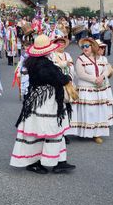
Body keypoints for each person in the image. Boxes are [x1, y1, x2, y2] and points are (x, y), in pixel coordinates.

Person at [10, 34, 78, 174]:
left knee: (48, 130)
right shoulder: (42, 64)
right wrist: (66, 77)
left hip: (44, 99)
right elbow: (58, 78)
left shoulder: (36, 62)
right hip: (44, 101)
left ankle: (58, 161)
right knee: (45, 130)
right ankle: (36, 162)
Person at [67, 38, 113, 144]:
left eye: (87, 46)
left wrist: (102, 77)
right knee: (88, 112)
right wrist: (95, 79)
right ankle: (84, 133)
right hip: (86, 90)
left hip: (99, 89)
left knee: (98, 112)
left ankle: (96, 134)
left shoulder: (101, 58)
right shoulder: (80, 59)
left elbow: (108, 69)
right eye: (83, 47)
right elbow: (80, 74)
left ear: (92, 47)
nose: (84, 48)